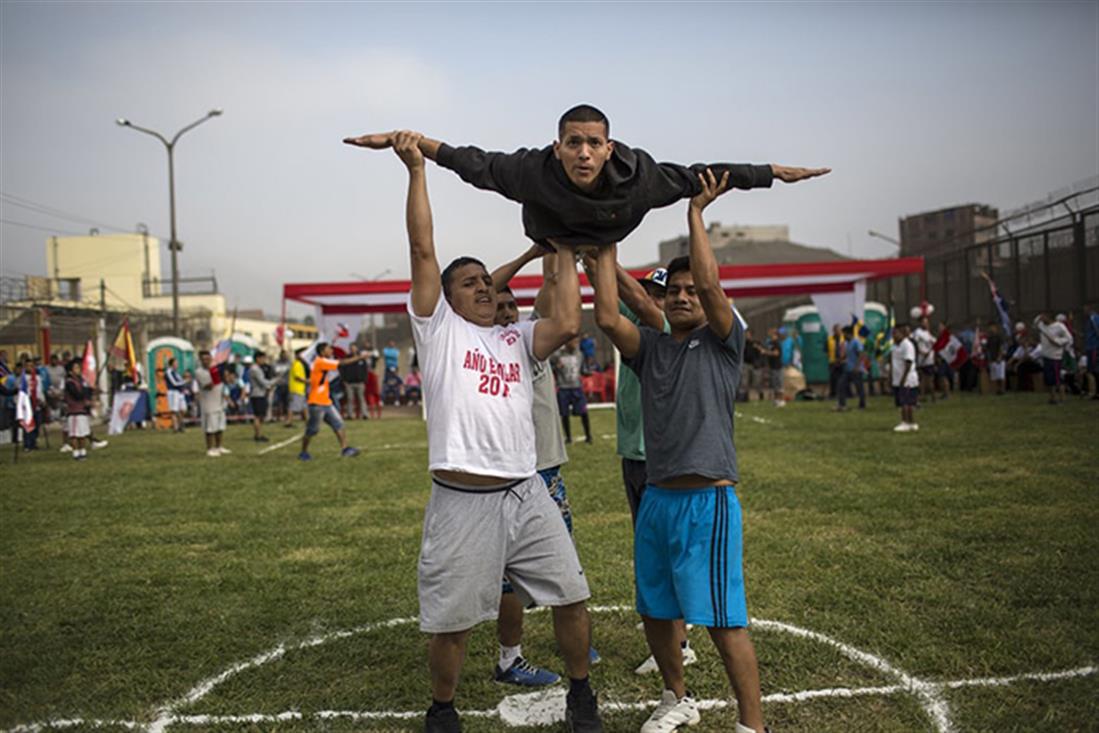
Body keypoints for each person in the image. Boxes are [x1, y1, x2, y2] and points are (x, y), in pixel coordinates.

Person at [388, 130, 601, 733]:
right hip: (462, 501)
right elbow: (423, 251)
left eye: (488, 281)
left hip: (525, 491)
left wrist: (559, 240)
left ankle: (581, 694)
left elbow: (565, 319)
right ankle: (443, 708)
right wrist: (417, 170)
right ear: (446, 300)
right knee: (451, 622)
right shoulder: (439, 333)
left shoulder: (514, 336)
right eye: (471, 283)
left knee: (571, 594)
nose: (484, 288)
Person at [591, 169, 766, 733]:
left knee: (721, 620)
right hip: (659, 500)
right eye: (676, 292)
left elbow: (713, 290)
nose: (686, 297)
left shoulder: (721, 343)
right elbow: (607, 316)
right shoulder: (653, 350)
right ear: (664, 301)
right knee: (655, 608)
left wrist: (694, 213)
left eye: (693, 291)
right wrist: (599, 247)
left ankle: (752, 725)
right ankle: (677, 697)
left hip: (707, 504)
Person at [344, 104, 829, 249]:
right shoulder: (529, 172)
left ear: (608, 148)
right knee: (568, 319)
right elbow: (471, 161)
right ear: (558, 148)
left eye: (593, 144)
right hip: (555, 232)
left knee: (614, 300)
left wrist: (770, 173)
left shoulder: (641, 179)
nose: (583, 153)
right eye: (573, 143)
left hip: (609, 230)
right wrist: (403, 137)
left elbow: (702, 173)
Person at [590, 258, 698, 678]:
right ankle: (671, 629)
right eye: (653, 293)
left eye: (660, 295)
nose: (651, 301)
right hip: (633, 457)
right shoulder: (637, 335)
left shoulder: (668, 333)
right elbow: (613, 300)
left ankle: (680, 642)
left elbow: (632, 297)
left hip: (658, 460)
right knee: (648, 550)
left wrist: (602, 255)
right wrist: (589, 259)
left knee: (665, 555)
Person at [298, 343, 366, 461]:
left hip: (326, 401)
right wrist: (360, 357)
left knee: (338, 423)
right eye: (328, 349)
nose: (331, 351)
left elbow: (316, 379)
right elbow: (342, 363)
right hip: (317, 403)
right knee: (312, 430)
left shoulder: (320, 362)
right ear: (322, 352)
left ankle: (345, 449)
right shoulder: (321, 362)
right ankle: (303, 452)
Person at [552, 337, 593, 444]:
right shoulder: (557, 355)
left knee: (583, 412)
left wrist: (587, 373)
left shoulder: (580, 354)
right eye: (573, 342)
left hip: (577, 387)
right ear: (566, 342)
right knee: (564, 413)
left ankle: (588, 436)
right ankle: (568, 437)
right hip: (563, 388)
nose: (575, 344)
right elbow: (550, 367)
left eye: (577, 342)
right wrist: (556, 367)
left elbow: (583, 369)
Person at [194, 351, 228, 457]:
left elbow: (225, 381)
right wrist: (217, 375)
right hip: (208, 403)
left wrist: (223, 374)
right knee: (210, 427)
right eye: (204, 359)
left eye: (208, 359)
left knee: (220, 426)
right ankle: (210, 448)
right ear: (200, 360)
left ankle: (219, 446)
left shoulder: (214, 369)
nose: (206, 361)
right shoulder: (200, 372)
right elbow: (208, 385)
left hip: (219, 400)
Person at [1035, 312, 1072, 404]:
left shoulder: (1059, 326)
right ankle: (1052, 398)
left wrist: (1058, 342)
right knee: (1049, 379)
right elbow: (1035, 324)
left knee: (1058, 379)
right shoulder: (1042, 326)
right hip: (1046, 355)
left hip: (1056, 356)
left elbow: (1069, 338)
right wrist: (1039, 320)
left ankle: (1062, 399)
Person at [890, 324, 920, 432]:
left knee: (906, 402)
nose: (893, 335)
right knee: (903, 402)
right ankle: (912, 423)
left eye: (895, 333)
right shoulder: (894, 346)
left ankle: (905, 422)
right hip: (897, 378)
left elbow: (909, 362)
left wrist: (903, 378)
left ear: (901, 333)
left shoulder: (907, 345)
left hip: (907, 378)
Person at [64, 358, 91, 460]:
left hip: (82, 410)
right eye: (76, 368)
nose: (78, 369)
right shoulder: (69, 383)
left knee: (83, 433)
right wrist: (85, 391)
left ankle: (83, 451)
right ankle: (76, 452)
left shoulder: (81, 381)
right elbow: (77, 395)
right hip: (74, 411)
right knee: (74, 434)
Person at [835, 325, 866, 411]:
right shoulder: (847, 343)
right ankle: (842, 404)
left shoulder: (856, 342)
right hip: (848, 369)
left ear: (849, 334)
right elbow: (847, 355)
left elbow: (861, 354)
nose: (843, 335)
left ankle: (862, 405)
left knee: (859, 387)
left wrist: (857, 366)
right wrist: (840, 360)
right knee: (841, 385)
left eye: (844, 334)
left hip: (856, 369)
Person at [248, 352, 273, 442]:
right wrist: (272, 383)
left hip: (260, 393)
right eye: (262, 358)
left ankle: (259, 433)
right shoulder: (255, 369)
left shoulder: (257, 368)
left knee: (261, 415)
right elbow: (262, 382)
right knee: (258, 416)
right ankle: (257, 435)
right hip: (257, 394)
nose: (264, 360)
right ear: (257, 358)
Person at [912, 316, 937, 402]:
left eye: (926, 322)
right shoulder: (917, 332)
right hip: (921, 360)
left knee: (930, 379)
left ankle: (933, 396)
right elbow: (915, 344)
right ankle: (922, 396)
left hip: (930, 360)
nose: (925, 324)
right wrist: (921, 352)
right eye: (923, 322)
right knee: (922, 379)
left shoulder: (929, 333)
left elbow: (934, 343)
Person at [341, 344, 369, 419]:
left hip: (360, 382)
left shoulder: (362, 359)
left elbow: (365, 370)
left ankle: (365, 414)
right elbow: (342, 370)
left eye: (354, 348)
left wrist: (364, 379)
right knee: (350, 399)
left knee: (361, 398)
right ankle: (350, 415)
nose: (353, 350)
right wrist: (344, 380)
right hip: (349, 382)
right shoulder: (347, 358)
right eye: (351, 348)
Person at [284, 348, 308, 427]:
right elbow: (297, 377)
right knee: (293, 407)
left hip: (300, 389)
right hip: (296, 389)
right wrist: (308, 381)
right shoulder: (297, 364)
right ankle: (288, 422)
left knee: (304, 406)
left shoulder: (300, 364)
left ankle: (307, 421)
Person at [165, 357, 188, 433]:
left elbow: (181, 381)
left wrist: (184, 384)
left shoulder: (176, 373)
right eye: (175, 363)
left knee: (183, 409)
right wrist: (184, 382)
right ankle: (176, 427)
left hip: (179, 393)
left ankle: (181, 425)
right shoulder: (169, 372)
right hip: (173, 392)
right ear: (172, 364)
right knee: (174, 410)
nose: (177, 364)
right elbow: (174, 383)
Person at [985, 323, 1007, 396]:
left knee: (1001, 375)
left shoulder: (999, 337)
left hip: (999, 359)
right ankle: (996, 390)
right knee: (994, 376)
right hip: (992, 358)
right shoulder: (989, 338)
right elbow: (987, 348)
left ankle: (1002, 389)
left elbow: (1002, 347)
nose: (991, 329)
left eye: (992, 327)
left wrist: (1000, 356)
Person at [1085, 304, 1099, 399]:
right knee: (1091, 371)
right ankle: (1093, 391)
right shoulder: (1089, 319)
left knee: (1093, 371)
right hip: (1090, 346)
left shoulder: (1094, 318)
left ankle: (1093, 392)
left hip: (1094, 347)